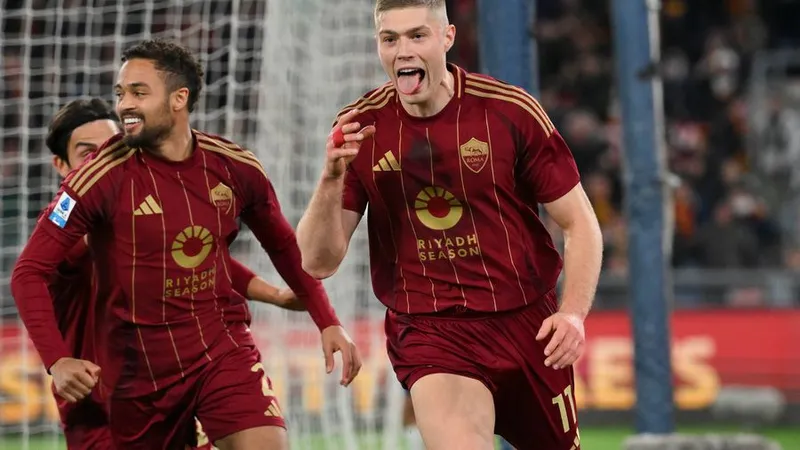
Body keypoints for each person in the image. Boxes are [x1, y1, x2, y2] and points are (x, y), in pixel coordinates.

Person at [12, 39, 361, 450]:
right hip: (136, 374)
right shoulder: (96, 179)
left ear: (179, 99)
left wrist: (326, 319)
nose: (124, 105)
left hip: (219, 348)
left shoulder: (234, 166)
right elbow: (28, 272)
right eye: (121, 94)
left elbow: (279, 245)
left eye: (138, 93)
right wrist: (57, 359)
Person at [295, 1, 602, 449]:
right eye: (389, 39)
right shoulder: (361, 128)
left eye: (417, 35)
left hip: (527, 324)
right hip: (431, 331)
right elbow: (317, 261)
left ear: (447, 37)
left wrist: (572, 313)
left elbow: (580, 224)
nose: (403, 50)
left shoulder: (510, 111)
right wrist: (330, 178)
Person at [41, 98, 305, 449]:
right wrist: (56, 360)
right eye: (88, 153)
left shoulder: (134, 211)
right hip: (97, 408)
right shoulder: (62, 230)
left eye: (111, 148)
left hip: (163, 385)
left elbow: (202, 256)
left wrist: (277, 295)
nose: (102, 161)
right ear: (60, 165)